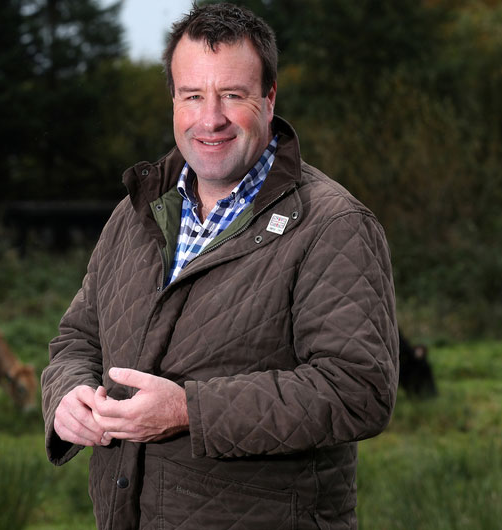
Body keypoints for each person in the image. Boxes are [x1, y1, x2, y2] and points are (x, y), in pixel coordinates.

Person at [40, 3, 398, 529]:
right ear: (173, 101)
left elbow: (358, 390)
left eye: (232, 94)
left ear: (269, 99)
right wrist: (66, 396)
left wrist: (189, 410)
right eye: (193, 96)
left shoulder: (333, 225)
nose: (211, 118)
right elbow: (77, 338)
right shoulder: (136, 212)